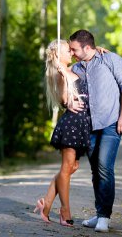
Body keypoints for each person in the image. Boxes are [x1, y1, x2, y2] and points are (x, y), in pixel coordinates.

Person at [68, 30, 122, 233]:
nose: (71, 53)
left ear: (87, 47)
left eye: (74, 49)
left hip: (111, 122)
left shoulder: (110, 59)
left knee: (105, 167)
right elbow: (65, 94)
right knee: (96, 170)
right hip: (87, 126)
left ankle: (105, 216)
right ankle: (99, 213)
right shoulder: (74, 68)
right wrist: (69, 102)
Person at [33, 39, 91, 227]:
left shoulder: (71, 69)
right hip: (72, 124)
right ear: (58, 55)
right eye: (68, 51)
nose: (72, 53)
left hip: (81, 123)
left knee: (71, 168)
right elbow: (65, 99)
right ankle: (65, 211)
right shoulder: (60, 74)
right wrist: (63, 74)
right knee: (67, 168)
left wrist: (98, 50)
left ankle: (46, 204)